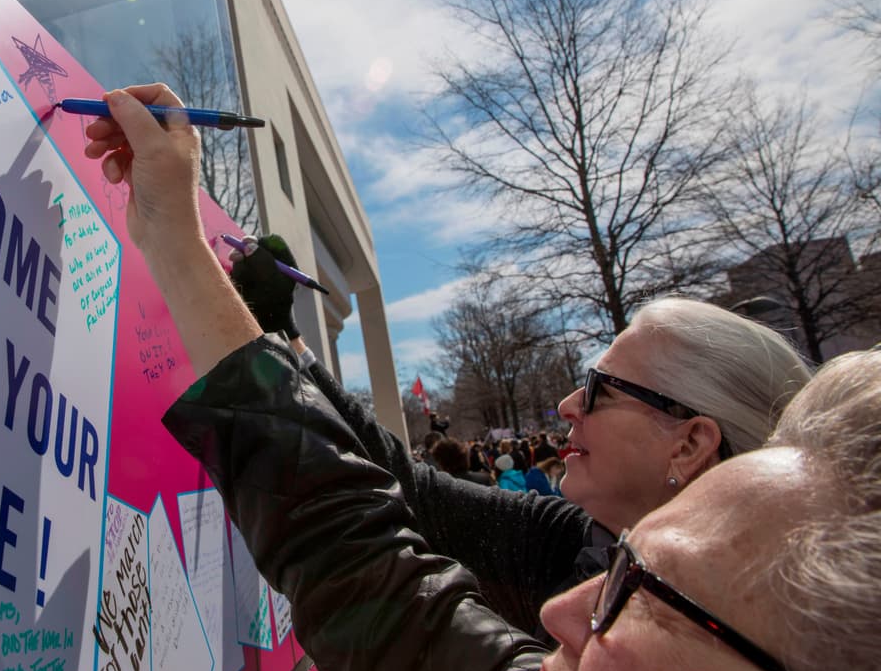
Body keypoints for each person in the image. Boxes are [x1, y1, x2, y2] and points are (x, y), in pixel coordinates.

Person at [0, 87, 872, 671]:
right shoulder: (564, 605)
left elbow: (359, 539)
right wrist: (204, 268)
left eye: (652, 590)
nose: (556, 615)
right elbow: (364, 516)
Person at [226, 222, 811, 639]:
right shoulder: (581, 540)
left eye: (601, 389)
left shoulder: (710, 662)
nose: (566, 405)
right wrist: (286, 335)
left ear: (690, 443)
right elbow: (412, 486)